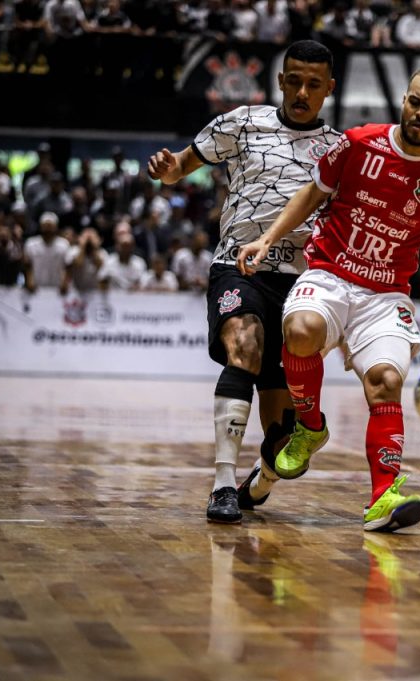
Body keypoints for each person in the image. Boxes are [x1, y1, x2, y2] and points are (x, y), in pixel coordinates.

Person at [238, 66, 420, 532]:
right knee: (301, 330)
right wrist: (269, 239)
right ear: (404, 98)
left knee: (387, 380)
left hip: (386, 294)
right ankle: (309, 427)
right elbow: (312, 193)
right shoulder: (358, 143)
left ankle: (383, 498)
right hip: (330, 275)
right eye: (415, 101)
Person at [147, 40, 340, 524]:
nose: (301, 91)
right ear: (280, 80)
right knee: (245, 347)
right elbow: (183, 165)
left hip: (304, 283)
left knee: (284, 444)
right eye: (293, 80)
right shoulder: (243, 122)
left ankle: (259, 482)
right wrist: (170, 171)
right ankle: (222, 485)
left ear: (329, 89)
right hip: (241, 266)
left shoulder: (339, 149)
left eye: (313, 84)